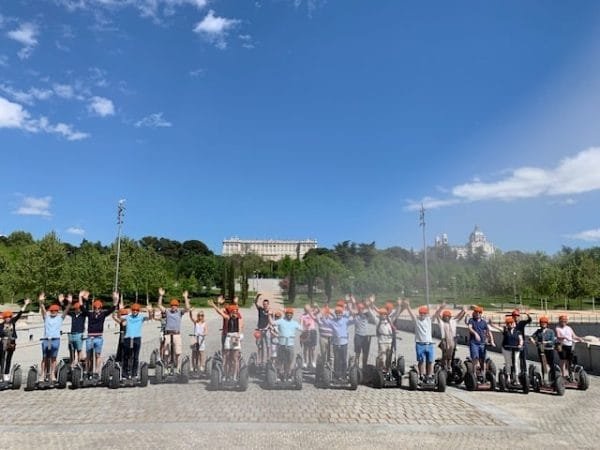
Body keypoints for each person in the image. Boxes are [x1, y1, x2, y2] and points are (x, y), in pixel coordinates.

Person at [113, 302, 152, 379]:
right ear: (131, 310)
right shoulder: (128, 317)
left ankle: (134, 374)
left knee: (135, 357)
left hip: (137, 338)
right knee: (126, 356)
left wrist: (150, 311)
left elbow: (150, 318)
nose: (135, 311)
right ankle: (124, 374)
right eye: (133, 310)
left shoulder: (141, 317)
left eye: (136, 310)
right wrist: (120, 310)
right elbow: (119, 317)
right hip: (128, 338)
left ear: (139, 311)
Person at [400, 300, 436, 382]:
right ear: (419, 314)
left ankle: (429, 375)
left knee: (430, 361)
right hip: (420, 344)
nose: (423, 315)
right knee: (421, 361)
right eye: (421, 313)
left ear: (427, 314)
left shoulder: (429, 320)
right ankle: (421, 375)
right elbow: (411, 314)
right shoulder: (417, 321)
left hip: (429, 344)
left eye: (424, 313)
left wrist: (440, 308)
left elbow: (436, 314)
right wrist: (408, 306)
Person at [39, 293, 71, 382]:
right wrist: (41, 302)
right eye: (52, 311)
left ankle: (52, 374)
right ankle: (43, 374)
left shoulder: (60, 318)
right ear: (50, 311)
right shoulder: (46, 317)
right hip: (47, 340)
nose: (53, 312)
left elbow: (66, 310)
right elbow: (42, 309)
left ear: (57, 311)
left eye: (55, 311)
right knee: (45, 358)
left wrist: (69, 303)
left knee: (53, 358)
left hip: (55, 340)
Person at [85, 292, 118, 375]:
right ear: (93, 307)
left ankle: (97, 371)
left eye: (98, 308)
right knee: (88, 355)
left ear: (101, 308)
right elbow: (83, 309)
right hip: (90, 337)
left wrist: (115, 299)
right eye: (95, 307)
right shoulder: (90, 314)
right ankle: (87, 371)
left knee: (98, 355)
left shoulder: (103, 314)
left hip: (98, 337)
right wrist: (82, 298)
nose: (97, 309)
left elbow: (113, 308)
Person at [209, 300, 244, 380]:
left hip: (235, 337)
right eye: (234, 311)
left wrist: (238, 336)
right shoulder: (227, 317)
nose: (235, 313)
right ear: (231, 312)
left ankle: (234, 376)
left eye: (236, 311)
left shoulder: (239, 319)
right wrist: (214, 305)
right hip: (228, 337)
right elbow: (220, 312)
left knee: (235, 358)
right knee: (226, 356)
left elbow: (240, 328)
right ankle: (224, 375)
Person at [157, 288, 191, 369]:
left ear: (177, 306)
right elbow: (159, 305)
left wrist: (185, 297)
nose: (173, 307)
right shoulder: (167, 311)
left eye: (175, 305)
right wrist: (161, 296)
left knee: (178, 352)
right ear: (170, 306)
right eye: (172, 305)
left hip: (176, 334)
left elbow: (187, 308)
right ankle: (165, 367)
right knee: (166, 352)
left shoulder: (179, 312)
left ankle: (178, 367)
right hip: (168, 334)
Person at [321, 305, 355, 380]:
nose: (339, 314)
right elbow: (324, 322)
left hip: (344, 343)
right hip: (335, 343)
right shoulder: (332, 321)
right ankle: (337, 375)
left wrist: (352, 312)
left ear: (342, 313)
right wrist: (324, 313)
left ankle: (344, 375)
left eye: (340, 313)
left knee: (343, 359)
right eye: (337, 313)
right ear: (335, 314)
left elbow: (354, 320)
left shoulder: (345, 320)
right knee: (336, 359)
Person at [0, 298, 31, 381]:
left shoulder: (13, 322)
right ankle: (1, 375)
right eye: (6, 317)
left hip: (12, 342)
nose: (8, 318)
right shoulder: (1, 325)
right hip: (3, 342)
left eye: (9, 317)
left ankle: (6, 374)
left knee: (9, 358)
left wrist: (25, 304)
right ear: (4, 318)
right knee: (2, 358)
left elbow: (20, 314)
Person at [434, 305, 466, 371]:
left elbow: (459, 317)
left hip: (452, 340)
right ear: (443, 317)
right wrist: (439, 309)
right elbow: (437, 316)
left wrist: (464, 311)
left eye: (448, 316)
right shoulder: (441, 323)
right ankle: (444, 365)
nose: (447, 318)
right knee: (445, 354)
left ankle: (449, 366)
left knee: (451, 355)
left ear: (450, 317)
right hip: (444, 340)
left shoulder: (453, 322)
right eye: (445, 316)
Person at [273, 307, 302, 379]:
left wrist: (302, 323)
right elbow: (272, 323)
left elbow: (302, 328)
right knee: (280, 359)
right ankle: (279, 373)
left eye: (290, 314)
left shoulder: (294, 323)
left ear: (292, 315)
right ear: (285, 314)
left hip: (290, 345)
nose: (289, 315)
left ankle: (288, 373)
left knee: (289, 360)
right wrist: (269, 315)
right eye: (288, 314)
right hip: (281, 344)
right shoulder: (281, 321)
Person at [467, 306, 495, 373]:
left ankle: (483, 375)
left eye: (479, 312)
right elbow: (470, 328)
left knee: (483, 360)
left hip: (482, 343)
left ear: (481, 313)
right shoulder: (471, 320)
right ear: (474, 313)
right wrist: (475, 334)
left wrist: (491, 340)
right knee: (475, 358)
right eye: (476, 312)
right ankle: (474, 374)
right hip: (474, 343)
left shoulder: (484, 322)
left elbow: (488, 332)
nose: (478, 314)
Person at [352, 295, 377, 371]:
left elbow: (373, 314)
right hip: (358, 336)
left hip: (365, 336)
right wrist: (353, 303)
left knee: (365, 353)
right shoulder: (355, 316)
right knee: (357, 353)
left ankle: (364, 367)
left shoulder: (367, 315)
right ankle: (356, 367)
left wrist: (370, 303)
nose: (361, 310)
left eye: (362, 309)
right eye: (360, 309)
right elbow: (352, 310)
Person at [530, 316, 558, 381]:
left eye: (544, 323)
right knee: (543, 364)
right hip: (541, 349)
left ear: (547, 323)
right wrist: (532, 340)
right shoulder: (538, 331)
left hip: (549, 350)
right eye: (542, 323)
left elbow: (553, 341)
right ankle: (544, 379)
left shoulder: (551, 331)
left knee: (551, 364)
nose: (543, 324)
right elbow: (532, 337)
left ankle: (553, 379)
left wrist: (546, 342)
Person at [67, 290, 89, 367]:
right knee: (72, 349)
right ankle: (72, 361)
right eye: (75, 308)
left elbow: (86, 309)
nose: (76, 310)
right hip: (72, 333)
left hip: (79, 333)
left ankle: (79, 363)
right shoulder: (73, 314)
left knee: (79, 349)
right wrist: (64, 303)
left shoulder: (83, 315)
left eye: (77, 308)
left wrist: (86, 300)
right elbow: (65, 311)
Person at [501, 316, 523, 383]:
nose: (510, 324)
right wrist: (491, 324)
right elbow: (498, 328)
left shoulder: (518, 331)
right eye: (508, 323)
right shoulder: (505, 330)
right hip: (506, 348)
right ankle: (508, 377)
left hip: (516, 349)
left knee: (515, 363)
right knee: (508, 363)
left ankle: (516, 377)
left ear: (513, 323)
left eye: (511, 323)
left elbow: (521, 339)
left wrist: (520, 345)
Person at [254, 293, 272, 365]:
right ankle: (260, 360)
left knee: (268, 345)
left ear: (268, 304)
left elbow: (270, 321)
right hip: (260, 329)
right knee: (260, 346)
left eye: (266, 304)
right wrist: (257, 296)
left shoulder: (269, 312)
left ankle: (268, 359)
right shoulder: (260, 309)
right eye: (264, 304)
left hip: (266, 330)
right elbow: (255, 303)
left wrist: (266, 328)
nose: (265, 305)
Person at [299, 304, 318, 369]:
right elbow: (301, 325)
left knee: (312, 348)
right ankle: (305, 362)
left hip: (312, 331)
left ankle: (312, 361)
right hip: (306, 332)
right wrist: (303, 330)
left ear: (310, 309)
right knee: (305, 348)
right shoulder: (302, 316)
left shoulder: (312, 313)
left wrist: (316, 306)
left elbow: (318, 311)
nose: (306, 310)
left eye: (308, 309)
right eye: (305, 309)